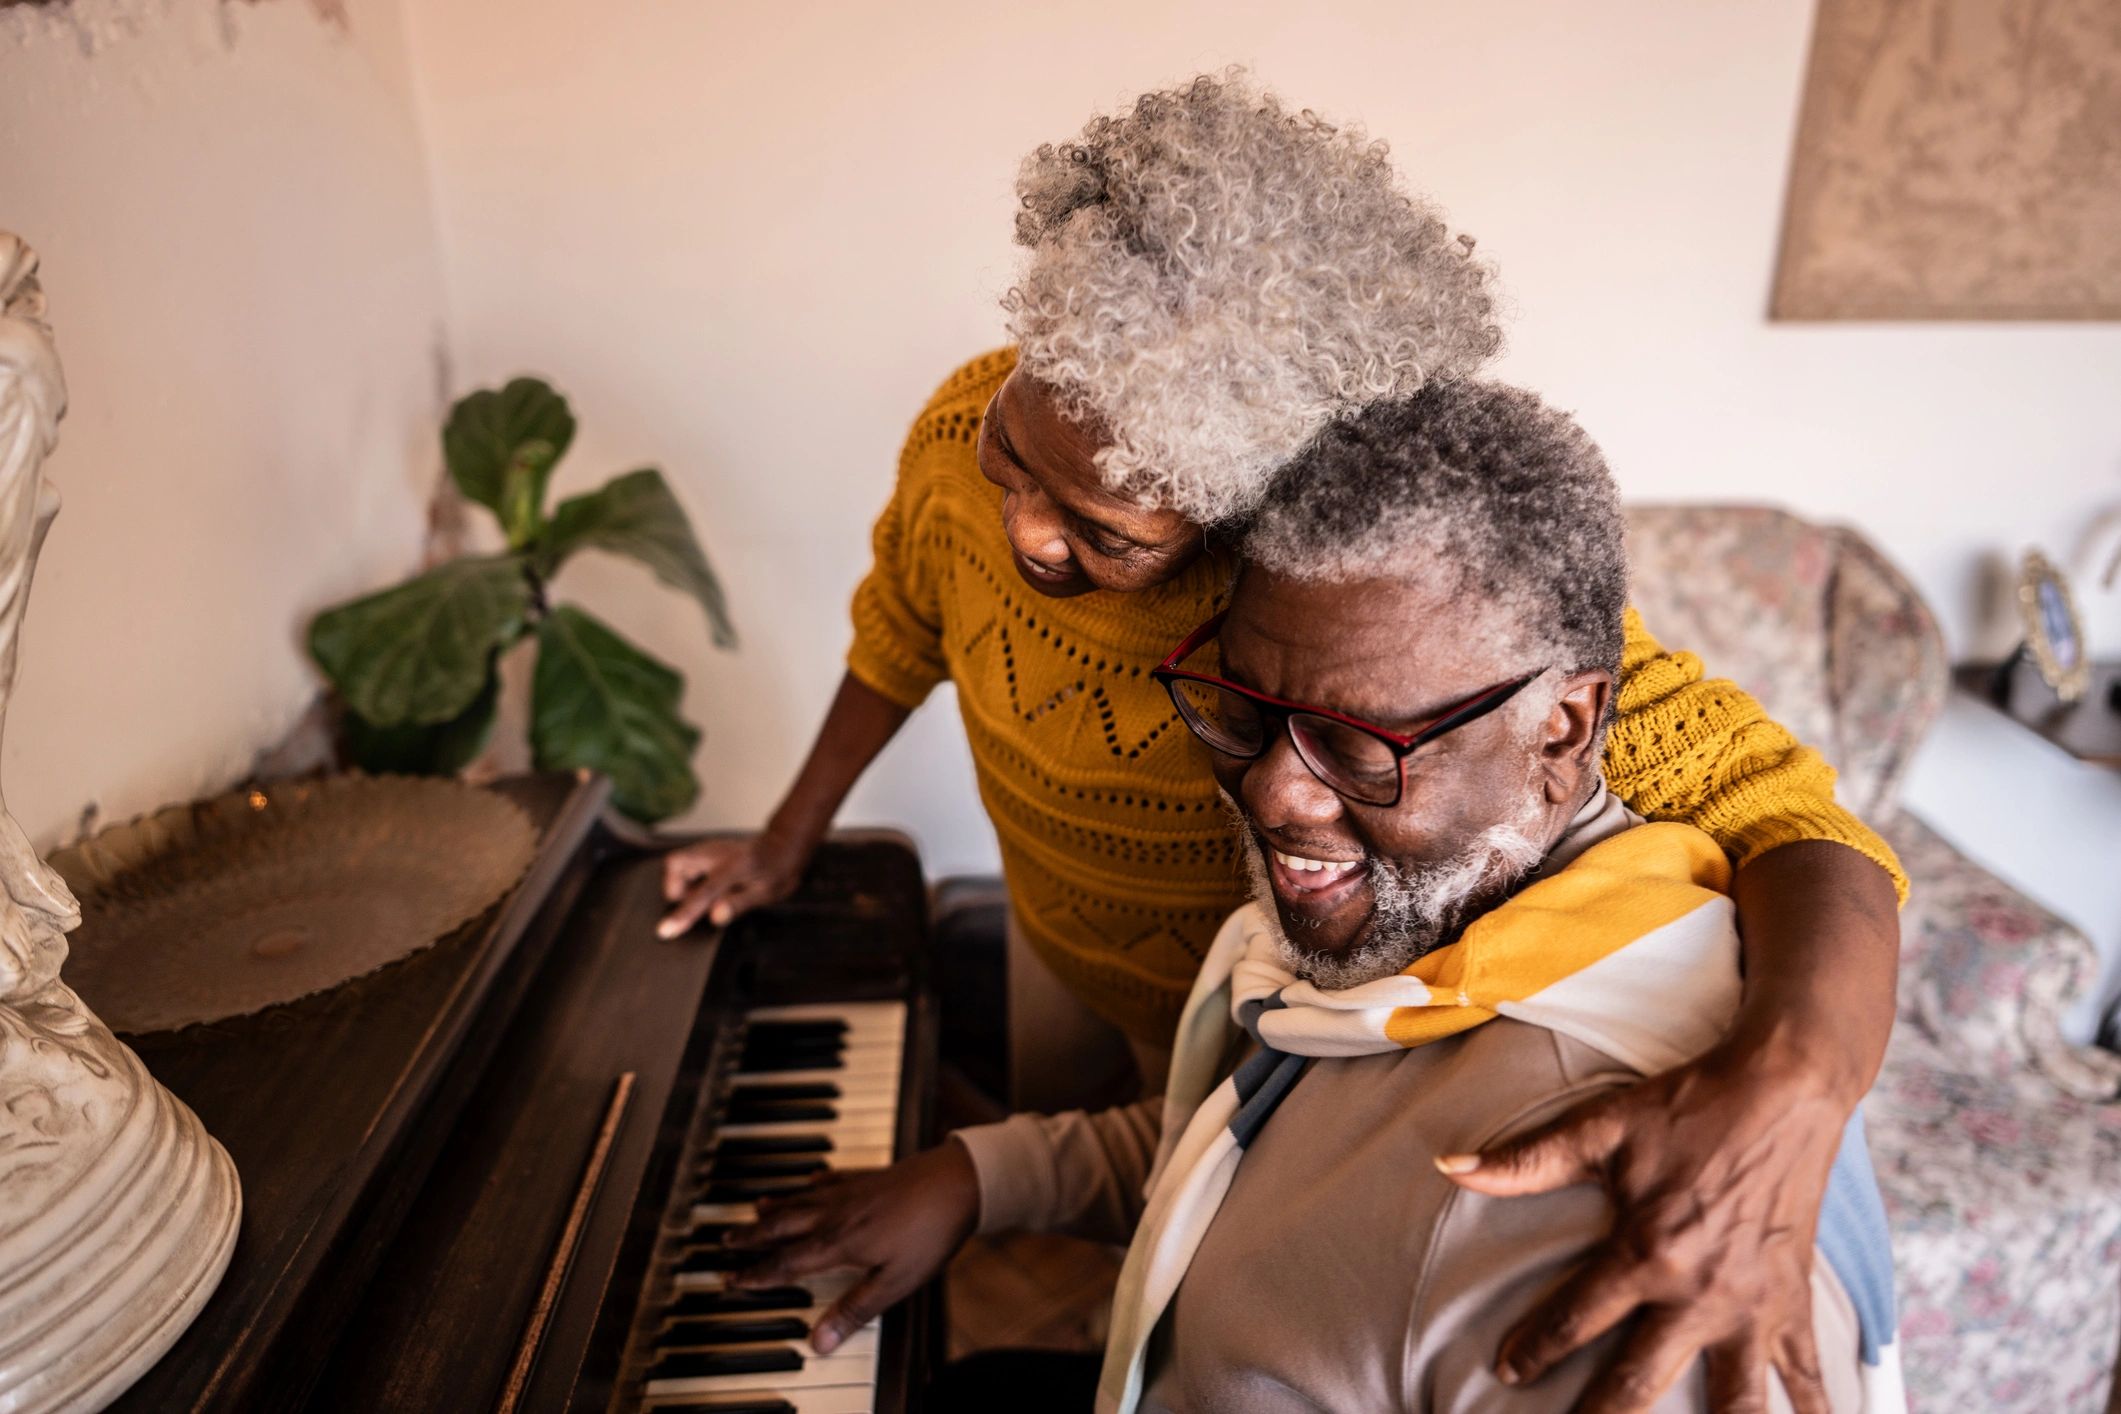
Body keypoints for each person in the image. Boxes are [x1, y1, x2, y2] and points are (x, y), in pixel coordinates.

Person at [665, 72, 1904, 1404]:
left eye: (1106, 533)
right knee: (1066, 1232)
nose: (1028, 531)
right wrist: (788, 836)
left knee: (1175, 1273)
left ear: (1247, 515)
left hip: (1256, 999)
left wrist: (1791, 1087)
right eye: (1012, 457)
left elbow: (1801, 824)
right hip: (1055, 942)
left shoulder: (1348, 602)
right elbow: (900, 621)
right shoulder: (963, 422)